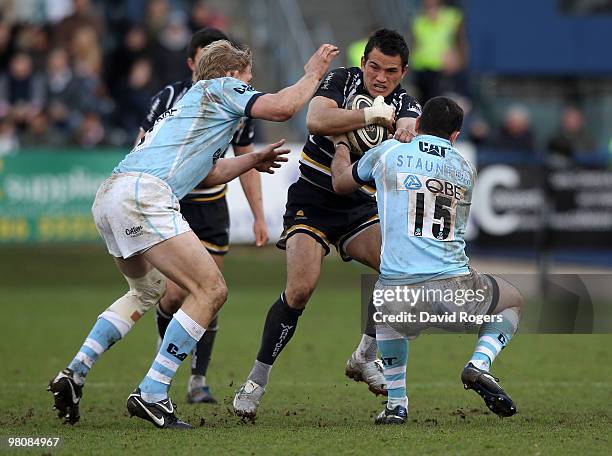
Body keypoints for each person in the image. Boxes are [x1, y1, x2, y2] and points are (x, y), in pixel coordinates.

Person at [47, 39, 339, 429]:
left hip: (112, 193)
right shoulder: (219, 87)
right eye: (248, 79)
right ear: (232, 74)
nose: (249, 86)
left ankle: (74, 372)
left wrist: (252, 158)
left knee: (146, 291)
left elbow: (208, 172)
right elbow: (283, 107)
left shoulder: (187, 108)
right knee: (211, 289)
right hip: (145, 195)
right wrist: (313, 74)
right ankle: (153, 392)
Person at [232, 29, 421, 419]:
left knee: (399, 271)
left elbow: (409, 127)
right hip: (313, 199)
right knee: (300, 290)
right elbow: (316, 119)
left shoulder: (406, 103)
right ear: (363, 61)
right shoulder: (343, 79)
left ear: (402, 73)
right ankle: (256, 380)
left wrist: (405, 130)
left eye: (390, 71)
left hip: (358, 203)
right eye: (373, 66)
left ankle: (364, 357)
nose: (379, 77)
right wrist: (371, 114)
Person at [331, 96, 523, 424]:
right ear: (456, 136)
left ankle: (396, 404)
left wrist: (340, 145)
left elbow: (340, 184)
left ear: (417, 124)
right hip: (453, 289)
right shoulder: (466, 168)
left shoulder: (388, 152)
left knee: (387, 302)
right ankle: (479, 364)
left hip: (398, 293)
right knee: (513, 301)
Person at [136, 27, 270, 405]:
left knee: (209, 290)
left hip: (212, 207)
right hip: (172, 203)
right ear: (194, 61)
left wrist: (259, 215)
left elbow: (246, 157)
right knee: (176, 293)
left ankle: (198, 379)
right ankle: (163, 369)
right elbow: (144, 144)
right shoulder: (172, 98)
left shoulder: (239, 102)